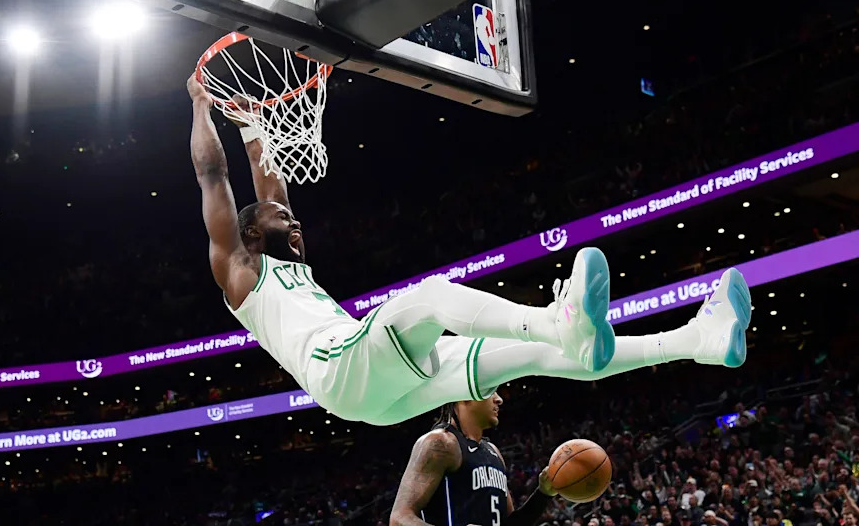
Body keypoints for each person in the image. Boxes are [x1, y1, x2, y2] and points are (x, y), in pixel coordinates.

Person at [187, 75, 754, 426]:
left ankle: (694, 340)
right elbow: (213, 174)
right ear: (252, 237)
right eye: (284, 219)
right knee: (431, 298)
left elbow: (272, 188)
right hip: (337, 367)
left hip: (375, 394)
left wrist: (252, 125)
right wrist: (200, 106)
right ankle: (560, 322)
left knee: (530, 357)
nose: (295, 217)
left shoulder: (291, 265)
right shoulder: (241, 272)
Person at [389, 393, 555, 526]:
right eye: (490, 391)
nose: (499, 399)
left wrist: (543, 493)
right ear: (465, 395)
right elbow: (399, 519)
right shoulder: (440, 443)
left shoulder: (494, 452)